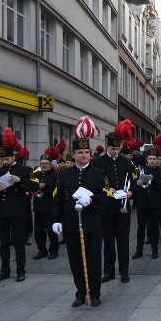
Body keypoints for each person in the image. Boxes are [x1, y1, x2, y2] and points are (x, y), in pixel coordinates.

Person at [51, 117, 107, 307]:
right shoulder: (64, 175)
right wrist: (57, 219)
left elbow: (106, 195)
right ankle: (80, 292)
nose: (84, 156)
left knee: (93, 259)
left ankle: (95, 292)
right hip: (72, 223)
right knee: (75, 261)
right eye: (80, 152)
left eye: (87, 152)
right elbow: (58, 198)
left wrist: (92, 199)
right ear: (73, 154)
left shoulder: (98, 174)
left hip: (92, 223)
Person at [93, 121, 137, 282]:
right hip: (106, 207)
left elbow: (134, 180)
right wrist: (107, 191)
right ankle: (109, 271)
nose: (116, 151)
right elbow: (95, 184)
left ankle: (124, 271)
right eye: (113, 149)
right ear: (107, 146)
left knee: (123, 241)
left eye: (118, 149)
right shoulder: (97, 162)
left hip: (123, 207)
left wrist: (131, 191)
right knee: (108, 241)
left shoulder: (126, 163)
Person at [0, 127, 36, 283]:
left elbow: (34, 186)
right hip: (2, 212)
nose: (4, 162)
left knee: (19, 243)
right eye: (2, 159)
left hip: (18, 212)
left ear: (13, 157)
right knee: (4, 244)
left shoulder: (24, 169)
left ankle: (20, 271)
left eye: (7, 159)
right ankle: (4, 271)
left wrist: (20, 180)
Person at [133, 147, 161, 260]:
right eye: (150, 158)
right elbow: (133, 184)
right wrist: (138, 183)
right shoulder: (140, 170)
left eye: (154, 158)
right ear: (147, 159)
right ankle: (139, 250)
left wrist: (150, 180)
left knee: (154, 228)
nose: (152, 161)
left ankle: (155, 250)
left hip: (155, 204)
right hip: (142, 204)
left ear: (158, 159)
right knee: (141, 228)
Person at [31, 148, 61, 260]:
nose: (44, 165)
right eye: (42, 163)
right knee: (39, 232)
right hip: (38, 207)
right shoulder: (36, 175)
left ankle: (53, 250)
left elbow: (57, 190)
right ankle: (41, 250)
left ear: (51, 165)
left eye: (46, 164)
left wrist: (47, 186)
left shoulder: (55, 175)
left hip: (50, 207)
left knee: (51, 231)